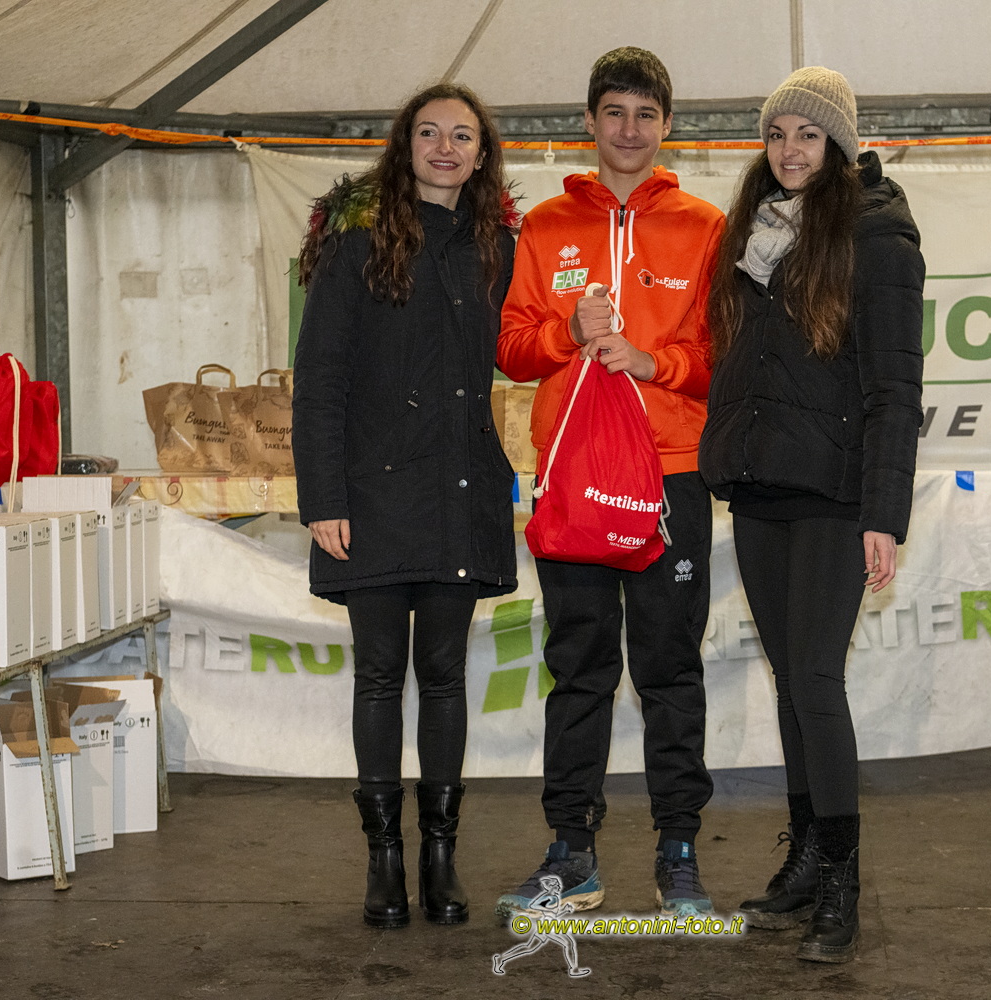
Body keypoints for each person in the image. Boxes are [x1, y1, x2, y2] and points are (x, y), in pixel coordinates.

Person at [698, 67, 924, 963]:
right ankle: (805, 861)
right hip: (763, 486)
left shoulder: (878, 236)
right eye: (776, 133)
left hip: (835, 493)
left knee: (818, 682)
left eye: (809, 134)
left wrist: (883, 514)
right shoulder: (754, 231)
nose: (789, 151)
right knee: (791, 681)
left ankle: (841, 882)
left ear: (841, 143)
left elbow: (894, 389)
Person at [494, 47, 725, 919]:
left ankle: (679, 851)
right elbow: (510, 349)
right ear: (589, 122)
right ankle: (572, 852)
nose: (629, 130)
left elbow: (723, 356)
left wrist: (653, 361)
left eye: (646, 115)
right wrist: (567, 331)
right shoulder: (545, 225)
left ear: (668, 126)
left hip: (672, 476)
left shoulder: (705, 226)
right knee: (579, 667)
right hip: (574, 479)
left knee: (669, 667)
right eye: (615, 113)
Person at [292, 83, 520, 927]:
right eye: (429, 132)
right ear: (405, 145)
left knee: (447, 675)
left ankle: (440, 856)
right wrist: (324, 497)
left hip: (459, 488)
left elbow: (523, 346)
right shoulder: (356, 243)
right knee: (381, 675)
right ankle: (384, 859)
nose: (445, 147)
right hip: (374, 496)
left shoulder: (498, 246)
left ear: (482, 153)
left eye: (462, 135)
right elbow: (319, 382)